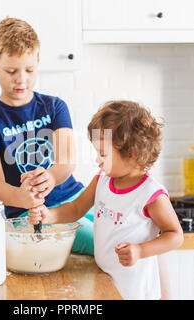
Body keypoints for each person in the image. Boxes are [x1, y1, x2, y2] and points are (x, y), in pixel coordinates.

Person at [28, 100, 184, 300]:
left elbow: (175, 235)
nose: (97, 160)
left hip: (135, 289)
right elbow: (76, 208)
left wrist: (140, 250)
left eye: (103, 153)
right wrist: (49, 215)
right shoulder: (102, 180)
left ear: (132, 153)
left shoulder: (150, 194)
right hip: (106, 280)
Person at [0, 17, 94, 255]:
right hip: (31, 214)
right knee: (104, 243)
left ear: (38, 62)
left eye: (29, 70)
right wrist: (23, 198)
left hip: (77, 197)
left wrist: (50, 176)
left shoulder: (55, 107)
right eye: (11, 71)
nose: (21, 79)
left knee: (131, 231)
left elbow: (67, 160)